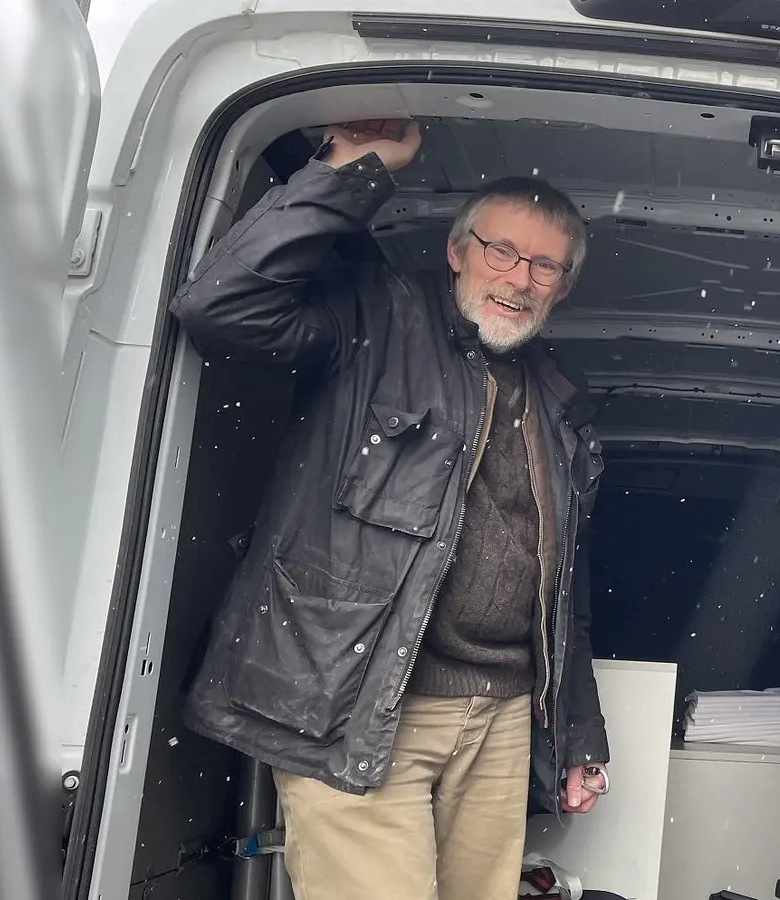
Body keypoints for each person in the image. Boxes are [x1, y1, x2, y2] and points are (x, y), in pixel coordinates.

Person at [172, 118, 611, 900]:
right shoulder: (376, 314)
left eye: (544, 265)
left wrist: (578, 733)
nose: (518, 278)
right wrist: (351, 166)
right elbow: (220, 305)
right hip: (354, 696)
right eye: (501, 251)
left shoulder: (560, 405)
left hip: (501, 718)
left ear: (564, 287)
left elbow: (562, 593)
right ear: (456, 251)